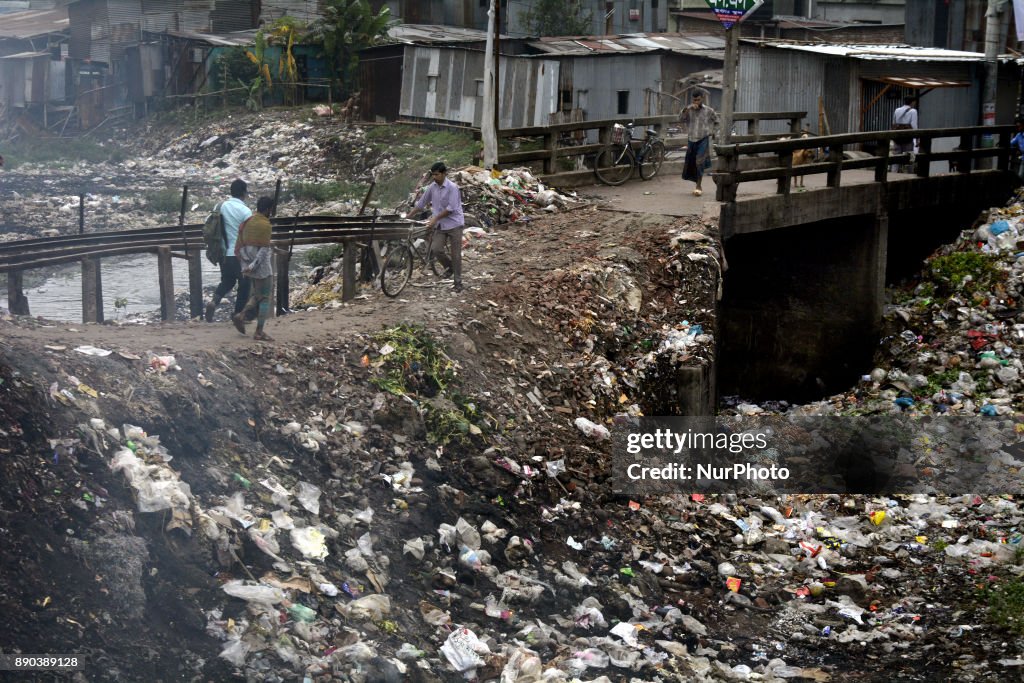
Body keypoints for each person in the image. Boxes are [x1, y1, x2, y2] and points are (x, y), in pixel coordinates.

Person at [205, 178, 252, 322]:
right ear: (244, 193)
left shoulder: (220, 206)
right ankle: (238, 314)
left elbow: (209, 224)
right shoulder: (246, 211)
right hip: (239, 254)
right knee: (245, 284)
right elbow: (249, 235)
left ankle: (214, 301)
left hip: (224, 253)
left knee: (228, 280)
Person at [415, 161, 465, 293]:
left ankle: (458, 282)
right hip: (441, 225)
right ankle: (450, 268)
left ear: (444, 174)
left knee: (456, 254)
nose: (435, 177)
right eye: (433, 175)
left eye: (437, 175)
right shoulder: (432, 187)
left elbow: (451, 209)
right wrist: (408, 216)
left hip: (454, 224)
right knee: (436, 249)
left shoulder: (452, 187)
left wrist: (435, 218)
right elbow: (421, 203)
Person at [232, 196, 275, 342]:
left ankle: (241, 315)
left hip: (249, 265)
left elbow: (241, 245)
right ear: (269, 209)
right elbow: (263, 250)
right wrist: (253, 265)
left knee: (257, 295)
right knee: (265, 298)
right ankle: (259, 331)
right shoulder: (265, 225)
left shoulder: (248, 222)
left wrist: (246, 265)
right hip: (261, 268)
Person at [678, 89, 720, 197]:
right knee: (691, 162)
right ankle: (695, 180)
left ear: (702, 98)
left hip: (703, 138)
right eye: (694, 100)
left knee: (699, 162)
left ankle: (699, 185)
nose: (696, 102)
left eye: (698, 100)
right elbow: (680, 119)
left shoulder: (708, 110)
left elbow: (717, 121)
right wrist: (686, 109)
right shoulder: (689, 110)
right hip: (691, 139)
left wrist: (713, 132)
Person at [891, 97, 918, 173]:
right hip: (907, 137)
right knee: (909, 157)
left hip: (897, 136)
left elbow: (894, 123)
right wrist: (916, 137)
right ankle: (909, 174)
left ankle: (893, 174)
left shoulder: (897, 110)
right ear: (912, 102)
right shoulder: (913, 111)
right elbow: (914, 125)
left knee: (896, 157)